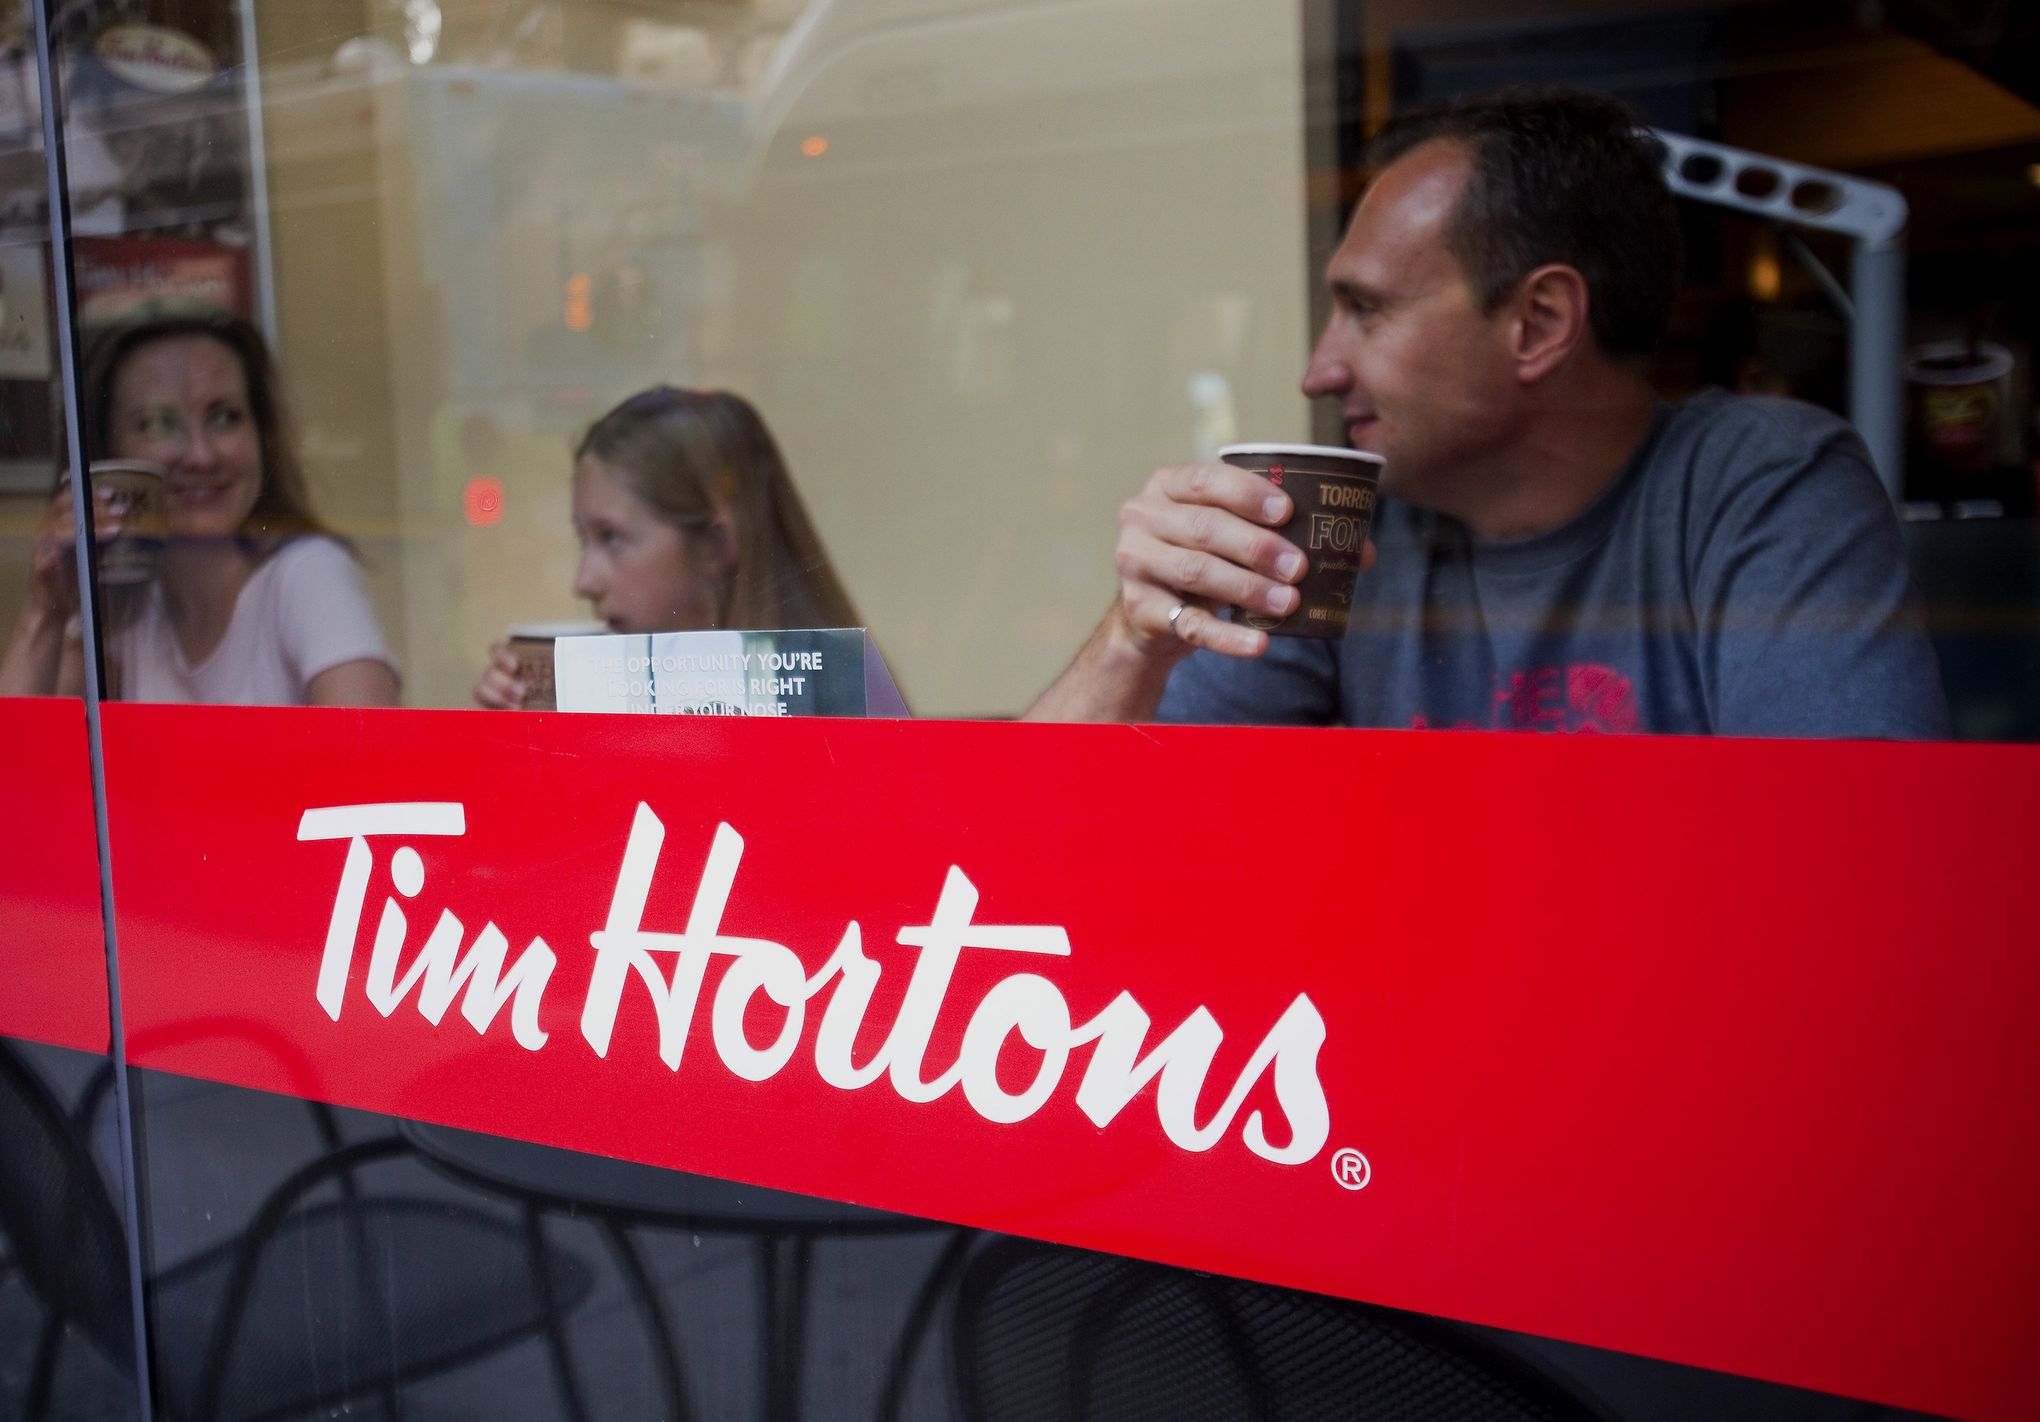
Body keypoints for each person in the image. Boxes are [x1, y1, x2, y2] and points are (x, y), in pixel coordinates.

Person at [1028, 87, 1948, 739]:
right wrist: (1131, 643)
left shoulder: (1757, 484)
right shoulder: (1349, 524)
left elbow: (1855, 878)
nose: (1319, 369)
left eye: (1369, 309)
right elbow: (1026, 851)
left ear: (1538, 322)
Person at [0, 314, 399, 707]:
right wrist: (45, 609)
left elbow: (374, 765)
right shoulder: (129, 610)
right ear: (108, 454)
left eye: (225, 417)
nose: (201, 456)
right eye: (157, 424)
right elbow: (18, 764)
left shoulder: (307, 573)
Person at [473, 386, 860, 708]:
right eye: (583, 538)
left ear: (714, 547)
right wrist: (522, 735)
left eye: (612, 537)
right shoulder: (613, 688)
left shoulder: (839, 702)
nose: (583, 583)